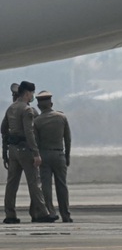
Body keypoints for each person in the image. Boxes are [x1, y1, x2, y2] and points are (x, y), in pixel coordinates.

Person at [3, 81, 54, 224]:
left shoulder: (10, 108)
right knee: (34, 182)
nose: (32, 96)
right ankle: (42, 213)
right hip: (25, 150)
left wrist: (5, 151)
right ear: (27, 93)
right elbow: (29, 132)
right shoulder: (27, 110)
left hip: (13, 150)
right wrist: (36, 153)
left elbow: (3, 129)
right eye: (31, 93)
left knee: (12, 184)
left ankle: (10, 215)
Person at [34, 91, 72, 222]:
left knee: (46, 185)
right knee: (62, 185)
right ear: (51, 103)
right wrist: (67, 156)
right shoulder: (61, 117)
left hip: (44, 155)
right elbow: (68, 139)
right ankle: (66, 215)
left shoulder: (37, 121)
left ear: (39, 106)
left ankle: (50, 211)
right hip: (59, 154)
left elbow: (36, 142)